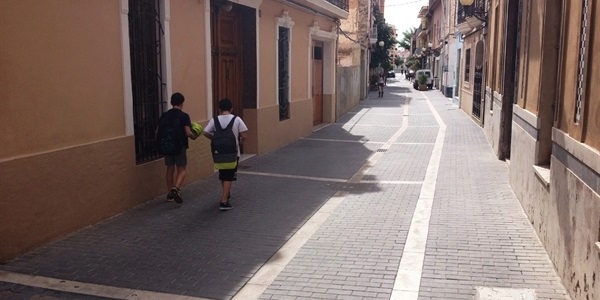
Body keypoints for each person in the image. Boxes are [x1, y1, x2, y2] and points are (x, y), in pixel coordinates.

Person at [203, 98, 248, 211]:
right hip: (232, 152)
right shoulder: (236, 119)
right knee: (229, 175)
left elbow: (205, 132)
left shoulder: (214, 120)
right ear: (231, 108)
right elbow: (244, 135)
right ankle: (224, 201)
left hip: (218, 152)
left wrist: (214, 139)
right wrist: (240, 142)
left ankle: (226, 194)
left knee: (223, 174)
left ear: (219, 109)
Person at [157, 92, 197, 204]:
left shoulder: (164, 115)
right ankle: (176, 187)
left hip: (166, 146)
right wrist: (194, 137)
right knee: (182, 169)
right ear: (182, 103)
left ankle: (169, 194)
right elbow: (188, 132)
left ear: (171, 102)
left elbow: (157, 131)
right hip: (180, 146)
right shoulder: (184, 116)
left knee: (169, 169)